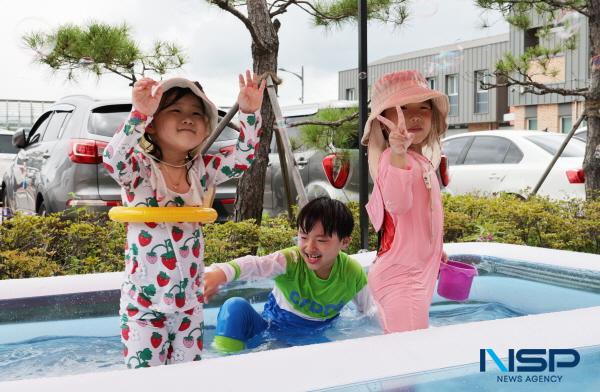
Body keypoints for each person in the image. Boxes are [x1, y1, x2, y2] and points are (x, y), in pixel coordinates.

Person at [103, 71, 266, 367]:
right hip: (144, 305)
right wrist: (139, 113)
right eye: (175, 110)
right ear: (151, 127)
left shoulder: (201, 172)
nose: (188, 118)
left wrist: (250, 112)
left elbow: (243, 158)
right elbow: (113, 158)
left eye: (196, 113)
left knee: (187, 381)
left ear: (206, 127)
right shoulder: (141, 172)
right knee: (146, 384)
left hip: (189, 305)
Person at [203, 197, 372, 352]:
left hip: (314, 342)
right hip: (268, 331)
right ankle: (226, 364)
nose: (309, 247)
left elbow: (370, 313)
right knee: (234, 307)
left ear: (344, 242)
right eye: (303, 237)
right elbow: (256, 264)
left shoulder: (352, 274)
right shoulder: (291, 260)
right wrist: (222, 272)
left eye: (321, 240)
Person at [361, 70, 448, 334]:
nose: (414, 116)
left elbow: (419, 218)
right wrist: (398, 152)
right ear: (383, 121)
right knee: (407, 366)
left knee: (400, 359)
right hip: (402, 281)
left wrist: (435, 251)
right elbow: (397, 204)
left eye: (424, 108)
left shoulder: (420, 160)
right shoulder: (393, 159)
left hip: (413, 275)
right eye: (402, 110)